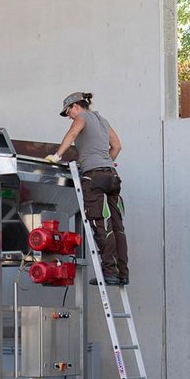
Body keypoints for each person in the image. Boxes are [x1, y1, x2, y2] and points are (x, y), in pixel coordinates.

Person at [46, 92, 129, 286]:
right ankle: (122, 273)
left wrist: (57, 156)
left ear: (75, 106)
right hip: (112, 176)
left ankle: (109, 272)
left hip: (94, 178)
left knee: (99, 224)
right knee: (118, 227)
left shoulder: (82, 117)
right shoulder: (102, 120)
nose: (69, 117)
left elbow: (73, 133)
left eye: (68, 112)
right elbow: (117, 147)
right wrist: (105, 162)